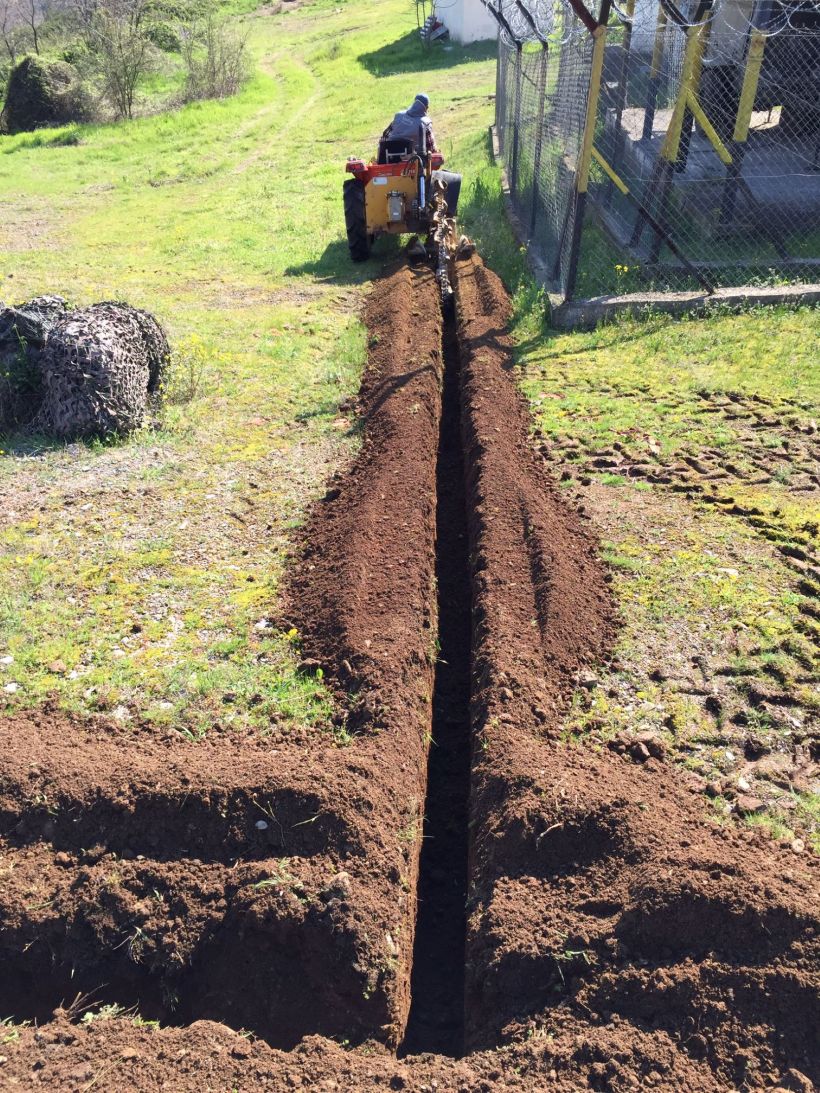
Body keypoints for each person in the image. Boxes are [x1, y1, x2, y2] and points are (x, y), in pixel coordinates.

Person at [384, 93, 461, 217]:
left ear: (414, 103)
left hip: (388, 161)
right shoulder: (425, 122)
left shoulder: (398, 116)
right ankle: (426, 206)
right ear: (426, 108)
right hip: (414, 165)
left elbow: (385, 136)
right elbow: (431, 147)